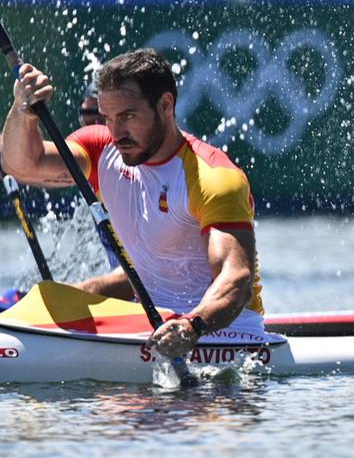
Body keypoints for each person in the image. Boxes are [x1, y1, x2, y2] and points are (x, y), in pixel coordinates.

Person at [2, 48, 269, 358]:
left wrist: (191, 326)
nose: (116, 133)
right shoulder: (101, 150)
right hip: (148, 323)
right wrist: (23, 113)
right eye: (108, 118)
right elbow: (22, 164)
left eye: (128, 116)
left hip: (222, 333)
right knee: (49, 296)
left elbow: (236, 278)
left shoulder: (212, 177)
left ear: (165, 105)